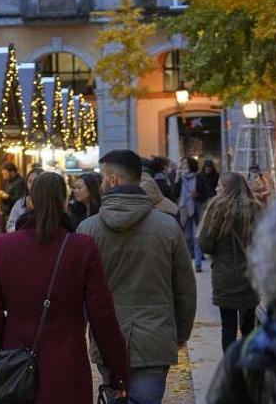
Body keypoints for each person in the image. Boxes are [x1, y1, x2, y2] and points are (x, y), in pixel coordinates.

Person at [0, 172, 129, 403]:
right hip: (67, 362)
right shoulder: (82, 247)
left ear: (30, 201)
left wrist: (3, 343)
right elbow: (102, 315)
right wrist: (118, 372)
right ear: (63, 201)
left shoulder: (2, 245)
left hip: (17, 359)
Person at [78, 149, 197, 404]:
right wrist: (180, 333)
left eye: (102, 178)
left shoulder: (87, 230)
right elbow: (185, 288)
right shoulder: (168, 227)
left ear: (112, 180)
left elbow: (78, 293)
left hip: (106, 337)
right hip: (155, 336)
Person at [206, 182, 276, 403]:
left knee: (230, 324)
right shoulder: (253, 362)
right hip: (244, 277)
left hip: (228, 275)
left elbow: (205, 242)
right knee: (244, 322)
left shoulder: (255, 357)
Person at [198, 172, 261, 352]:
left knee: (228, 327)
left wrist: (220, 252)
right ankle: (248, 367)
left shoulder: (215, 209)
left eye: (219, 184)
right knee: (249, 327)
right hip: (250, 275)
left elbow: (205, 244)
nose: (217, 188)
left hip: (224, 275)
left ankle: (230, 370)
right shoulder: (255, 209)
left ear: (226, 187)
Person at [174, 157, 206, 272]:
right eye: (182, 164)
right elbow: (174, 194)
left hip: (196, 210)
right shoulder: (180, 178)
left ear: (191, 165)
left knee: (196, 237)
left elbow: (208, 193)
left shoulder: (199, 178)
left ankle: (197, 263)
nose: (183, 166)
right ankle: (187, 263)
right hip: (183, 210)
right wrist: (177, 179)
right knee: (186, 237)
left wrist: (197, 195)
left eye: (185, 164)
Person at [6, 167, 45, 232]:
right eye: (29, 181)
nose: (32, 185)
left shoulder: (49, 202)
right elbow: (10, 226)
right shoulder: (21, 203)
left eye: (35, 181)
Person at [0, 162, 26, 231]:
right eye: (3, 174)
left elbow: (19, 200)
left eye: (5, 173)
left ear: (12, 172)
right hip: (8, 214)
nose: (3, 176)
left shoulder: (20, 182)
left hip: (16, 215)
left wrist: (7, 197)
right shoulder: (9, 182)